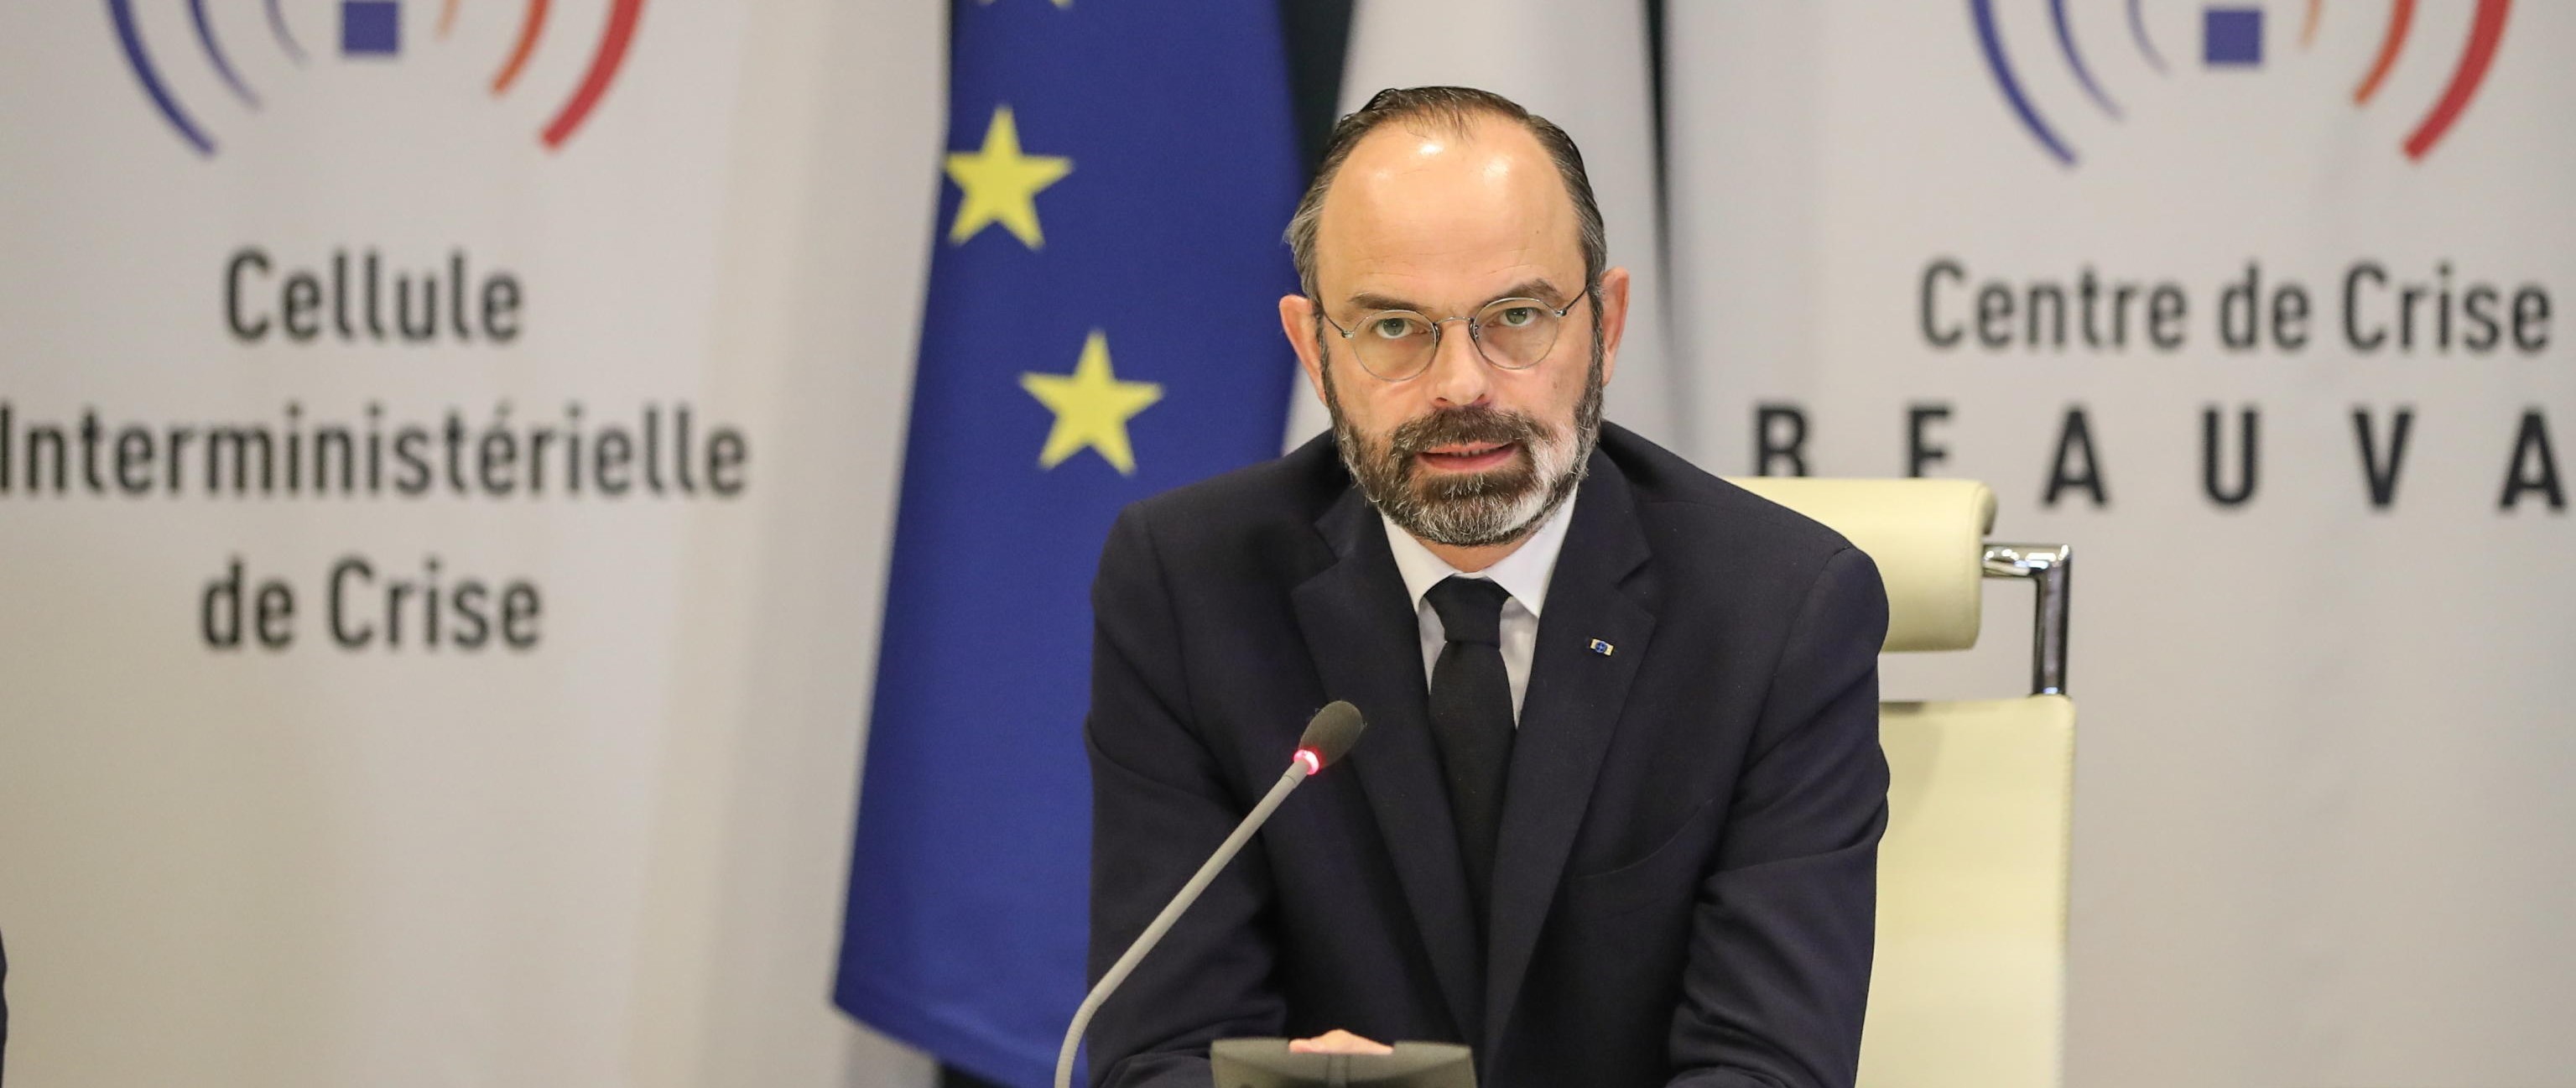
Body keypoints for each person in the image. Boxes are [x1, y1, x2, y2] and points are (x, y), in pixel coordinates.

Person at [1084, 86, 1888, 1087]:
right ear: (1312, 349)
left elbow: (1767, 1069)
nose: (1459, 383)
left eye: (1515, 317)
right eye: (1391, 327)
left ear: (1605, 321)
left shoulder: (1776, 612)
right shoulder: (1188, 586)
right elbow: (1154, 1050)